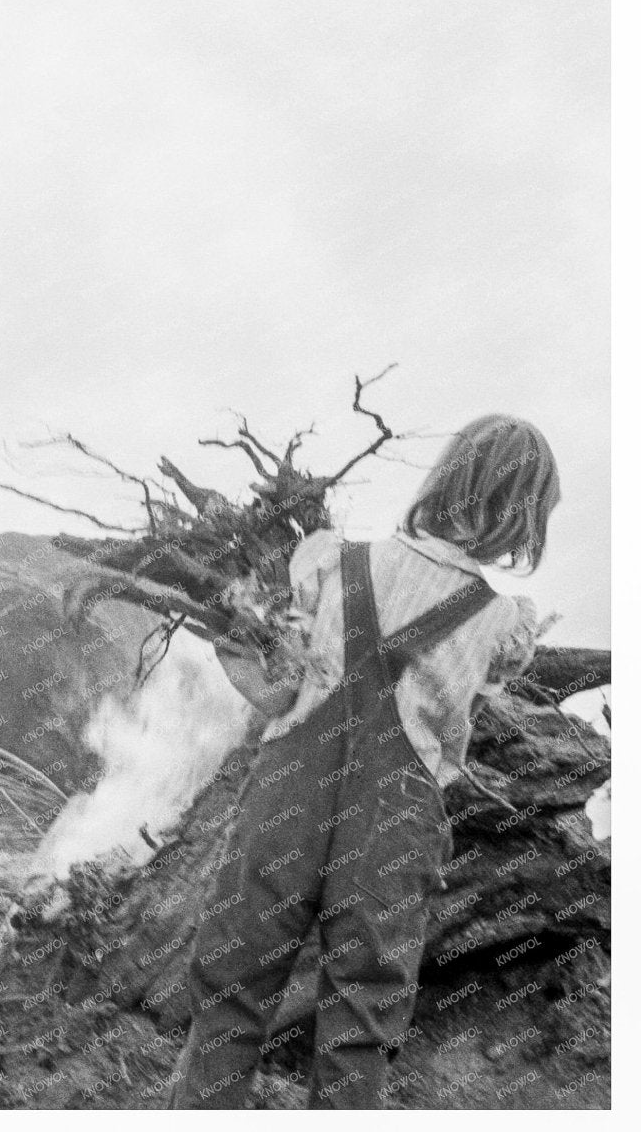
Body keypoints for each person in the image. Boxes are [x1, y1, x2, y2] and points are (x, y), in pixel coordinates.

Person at [171, 414, 562, 1109]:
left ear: (444, 478)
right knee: (360, 1016)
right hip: (393, 820)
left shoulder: (329, 559)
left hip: (290, 793)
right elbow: (500, 667)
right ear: (524, 519)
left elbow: (282, 665)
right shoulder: (503, 620)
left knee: (233, 989)